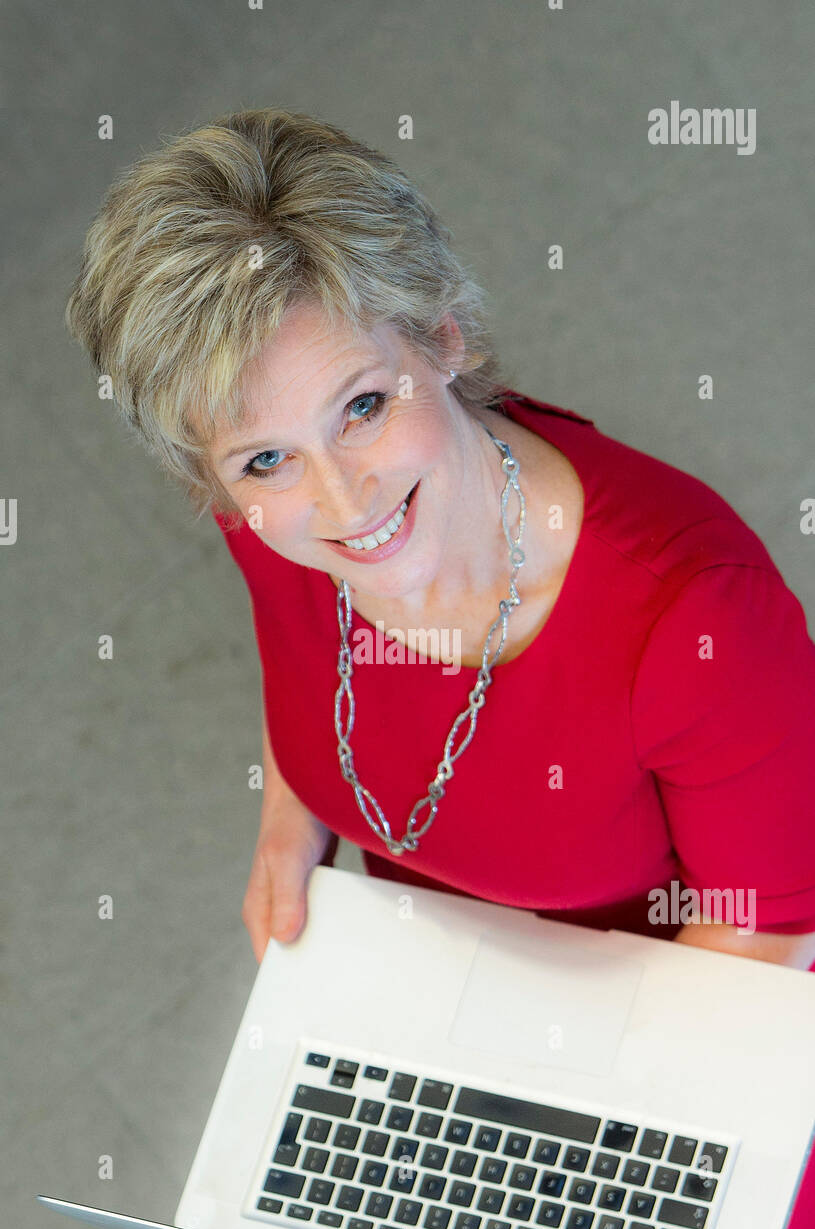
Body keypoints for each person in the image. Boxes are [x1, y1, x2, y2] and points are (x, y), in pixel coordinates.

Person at [64, 107, 815, 971]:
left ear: (442, 337)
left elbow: (769, 929)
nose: (345, 504)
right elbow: (310, 675)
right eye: (267, 457)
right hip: (439, 980)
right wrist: (288, 826)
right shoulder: (266, 525)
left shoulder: (699, 623)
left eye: (363, 407)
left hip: (653, 1017)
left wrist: (548, 1094)